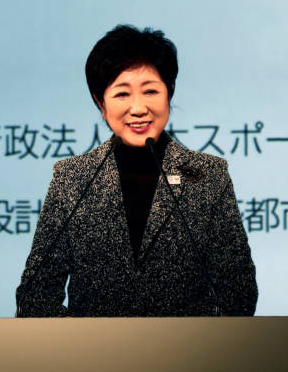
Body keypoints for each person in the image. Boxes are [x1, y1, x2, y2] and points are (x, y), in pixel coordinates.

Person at [15, 24, 257, 317]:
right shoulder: (72, 178)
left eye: (151, 91)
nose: (139, 108)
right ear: (100, 103)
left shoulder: (207, 175)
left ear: (170, 92)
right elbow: (35, 296)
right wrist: (84, 340)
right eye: (122, 94)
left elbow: (239, 292)